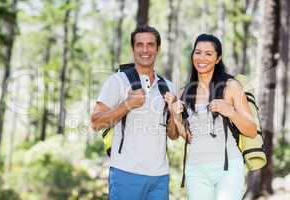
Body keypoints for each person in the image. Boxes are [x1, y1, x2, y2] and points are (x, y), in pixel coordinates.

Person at [91, 25, 179, 200]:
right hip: (125, 173)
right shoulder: (117, 81)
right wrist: (127, 104)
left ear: (158, 49)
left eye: (150, 44)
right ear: (133, 49)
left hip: (159, 177)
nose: (145, 50)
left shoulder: (168, 87)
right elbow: (96, 122)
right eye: (139, 45)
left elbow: (174, 135)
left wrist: (172, 113)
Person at [168, 34, 257, 200]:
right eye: (198, 52)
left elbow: (251, 130)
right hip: (195, 170)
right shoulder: (185, 92)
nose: (202, 58)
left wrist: (230, 111)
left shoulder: (231, 87)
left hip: (228, 167)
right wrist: (175, 116)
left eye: (209, 54)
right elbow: (190, 138)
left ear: (218, 59)